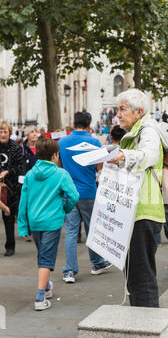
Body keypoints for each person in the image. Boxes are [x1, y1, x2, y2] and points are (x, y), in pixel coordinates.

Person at [108, 88, 168, 307]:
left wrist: (124, 156)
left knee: (141, 277)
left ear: (139, 111)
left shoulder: (148, 130)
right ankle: (141, 323)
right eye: (117, 110)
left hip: (143, 210)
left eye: (123, 109)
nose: (118, 115)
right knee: (135, 275)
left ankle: (147, 327)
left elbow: (150, 155)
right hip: (135, 209)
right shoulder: (136, 131)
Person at [17, 138, 79, 311]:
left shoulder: (29, 175)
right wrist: (65, 208)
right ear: (55, 155)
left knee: (43, 255)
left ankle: (46, 285)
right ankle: (40, 296)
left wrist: (22, 225)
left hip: (35, 221)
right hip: (52, 221)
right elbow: (74, 196)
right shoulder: (61, 174)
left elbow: (23, 201)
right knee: (45, 259)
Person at [58, 111, 111, 283]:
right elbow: (99, 168)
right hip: (88, 191)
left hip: (69, 192)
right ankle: (97, 264)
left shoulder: (62, 142)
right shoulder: (94, 142)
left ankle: (69, 271)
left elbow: (59, 166)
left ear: (74, 123)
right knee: (92, 229)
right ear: (89, 125)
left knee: (71, 231)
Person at [0, 121, 23, 256]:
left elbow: (20, 167)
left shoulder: (15, 147)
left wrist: (7, 172)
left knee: (8, 217)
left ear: (9, 133)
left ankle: (10, 246)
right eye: (0, 132)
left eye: (5, 132)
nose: (2, 134)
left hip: (9, 187)